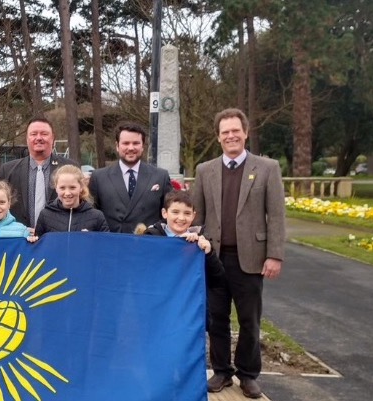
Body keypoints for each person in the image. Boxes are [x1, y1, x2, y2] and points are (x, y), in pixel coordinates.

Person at [192, 108, 285, 399]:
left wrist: (275, 255)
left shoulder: (267, 168)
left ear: (245, 133)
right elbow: (197, 216)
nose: (231, 136)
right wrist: (192, 251)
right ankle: (221, 371)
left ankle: (248, 374)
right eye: (225, 132)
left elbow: (276, 215)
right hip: (214, 258)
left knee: (249, 320)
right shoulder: (204, 170)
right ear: (218, 137)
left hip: (251, 258)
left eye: (235, 130)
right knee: (217, 319)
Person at [88, 121, 173, 233]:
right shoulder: (99, 177)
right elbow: (91, 216)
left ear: (143, 146)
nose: (131, 148)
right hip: (112, 241)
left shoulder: (160, 176)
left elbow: (170, 213)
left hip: (148, 241)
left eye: (136, 143)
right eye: (126, 143)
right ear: (117, 146)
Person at [0, 117, 78, 228]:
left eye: (44, 134)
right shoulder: (7, 171)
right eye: (33, 134)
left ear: (53, 138)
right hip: (20, 236)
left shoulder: (70, 168)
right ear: (27, 139)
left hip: (58, 235)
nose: (38, 138)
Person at [136, 191, 225, 289]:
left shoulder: (201, 239)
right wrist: (177, 242)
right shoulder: (152, 237)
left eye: (187, 213)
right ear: (164, 213)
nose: (181, 218)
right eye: (175, 212)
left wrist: (209, 253)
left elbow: (218, 279)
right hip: (158, 293)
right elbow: (141, 271)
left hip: (189, 296)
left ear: (193, 216)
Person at [35, 164, 109, 236]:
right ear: (56, 188)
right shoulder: (45, 215)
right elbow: (38, 242)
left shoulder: (97, 216)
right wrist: (32, 240)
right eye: (62, 188)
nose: (67, 193)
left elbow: (105, 242)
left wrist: (90, 239)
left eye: (72, 187)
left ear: (81, 187)